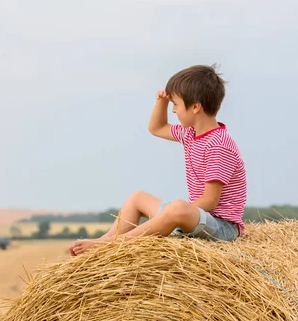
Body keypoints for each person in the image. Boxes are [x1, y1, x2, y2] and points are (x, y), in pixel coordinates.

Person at [70, 64, 247, 256]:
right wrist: (162, 101)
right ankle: (105, 241)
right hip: (195, 217)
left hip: (222, 228)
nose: (173, 111)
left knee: (178, 207)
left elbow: (210, 200)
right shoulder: (190, 134)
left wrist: (170, 214)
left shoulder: (218, 144)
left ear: (195, 106)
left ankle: (113, 245)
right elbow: (156, 127)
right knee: (137, 198)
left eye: (176, 105)